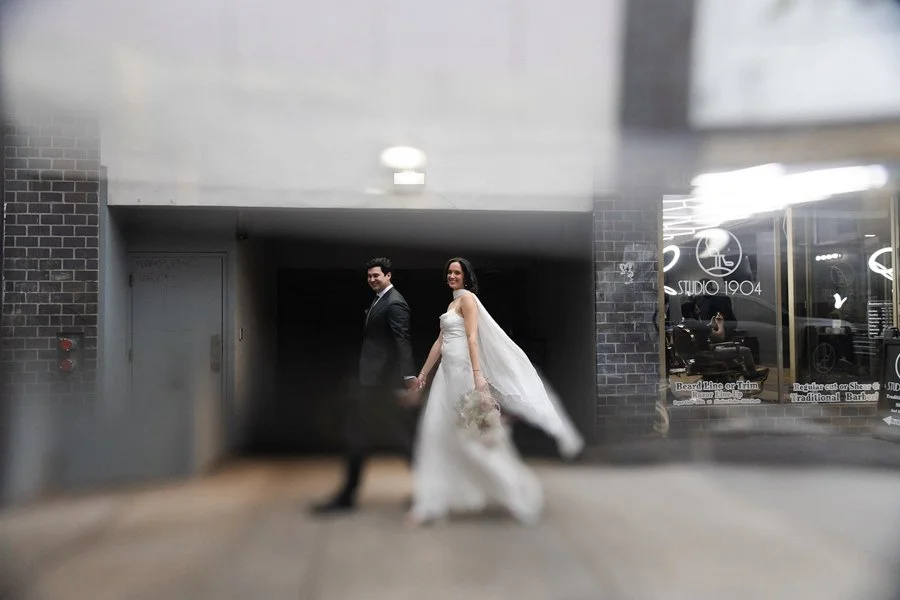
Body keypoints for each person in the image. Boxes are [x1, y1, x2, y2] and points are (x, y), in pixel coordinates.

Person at [408, 258, 584, 526]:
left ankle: (518, 495)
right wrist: (423, 374)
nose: (452, 276)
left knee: (475, 441)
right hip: (447, 375)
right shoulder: (451, 304)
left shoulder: (467, 300)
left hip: (463, 374)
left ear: (466, 277)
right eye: (450, 272)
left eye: (457, 272)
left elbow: (471, 338)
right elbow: (440, 341)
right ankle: (431, 502)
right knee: (436, 432)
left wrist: (478, 377)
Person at [312, 257, 420, 514]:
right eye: (369, 276)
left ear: (389, 276)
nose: (372, 279)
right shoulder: (380, 301)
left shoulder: (395, 304)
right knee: (366, 438)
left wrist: (405, 382)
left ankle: (429, 490)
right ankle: (348, 494)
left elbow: (401, 344)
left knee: (398, 440)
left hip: (381, 386)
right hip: (371, 383)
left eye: (377, 276)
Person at [679, 299, 768, 381]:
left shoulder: (683, 324)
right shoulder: (698, 325)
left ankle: (733, 374)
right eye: (696, 310)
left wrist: (710, 326)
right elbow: (720, 337)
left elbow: (699, 333)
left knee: (728, 350)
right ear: (691, 313)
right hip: (708, 356)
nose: (699, 311)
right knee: (745, 350)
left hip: (697, 356)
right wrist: (720, 323)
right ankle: (752, 375)